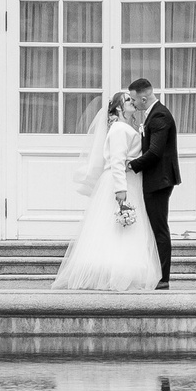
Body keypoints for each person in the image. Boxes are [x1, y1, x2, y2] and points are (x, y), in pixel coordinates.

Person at [51, 89, 162, 293]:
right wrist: (121, 189)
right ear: (119, 107)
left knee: (122, 229)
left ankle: (123, 270)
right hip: (120, 183)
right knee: (117, 228)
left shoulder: (125, 127)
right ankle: (113, 272)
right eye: (128, 100)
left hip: (130, 182)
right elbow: (117, 161)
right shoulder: (120, 129)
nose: (132, 102)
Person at [126, 77, 181, 290]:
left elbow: (155, 152)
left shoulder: (159, 115)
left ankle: (164, 278)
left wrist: (132, 165)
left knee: (159, 229)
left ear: (144, 97)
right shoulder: (154, 114)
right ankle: (159, 275)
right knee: (156, 227)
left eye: (134, 99)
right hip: (157, 180)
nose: (134, 103)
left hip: (159, 181)